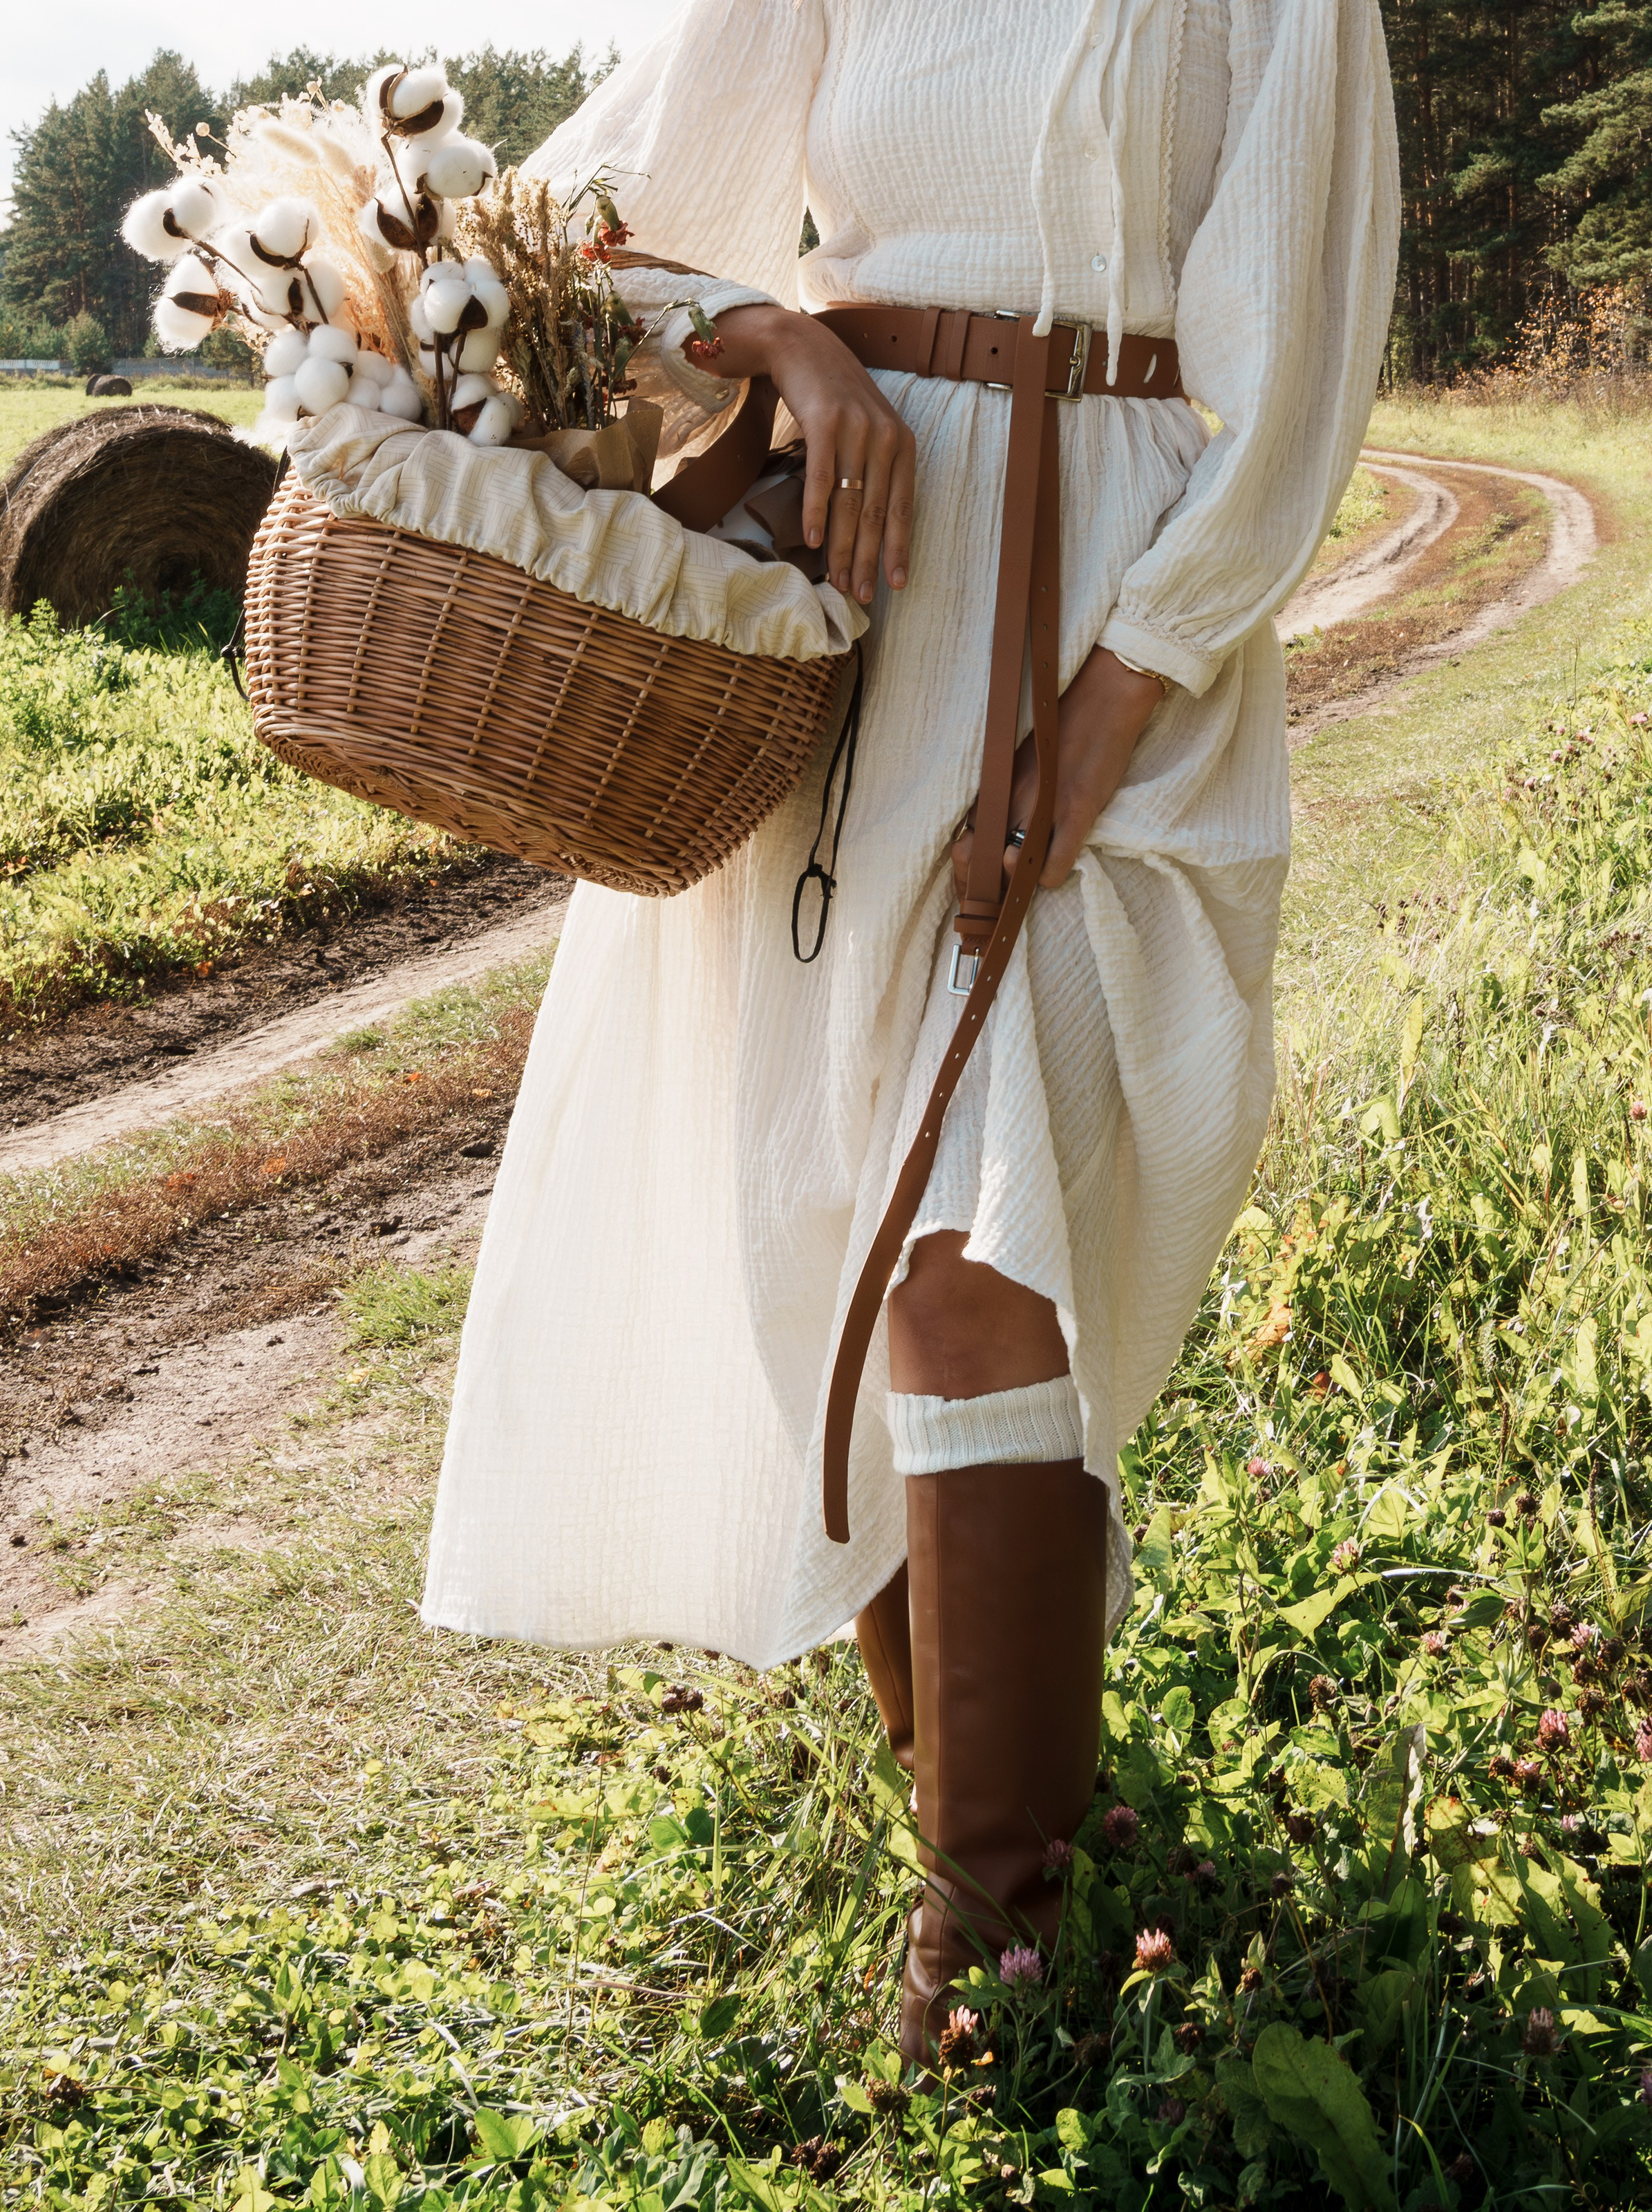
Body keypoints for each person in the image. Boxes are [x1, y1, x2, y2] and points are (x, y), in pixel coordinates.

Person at [424, 0, 1399, 2061]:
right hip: (851, 606)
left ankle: (997, 1933)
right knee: (846, 1234)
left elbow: (1300, 364)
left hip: (1101, 604)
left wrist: (1113, 703)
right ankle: (1000, 1822)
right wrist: (783, 342)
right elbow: (562, 233)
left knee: (984, 1248)